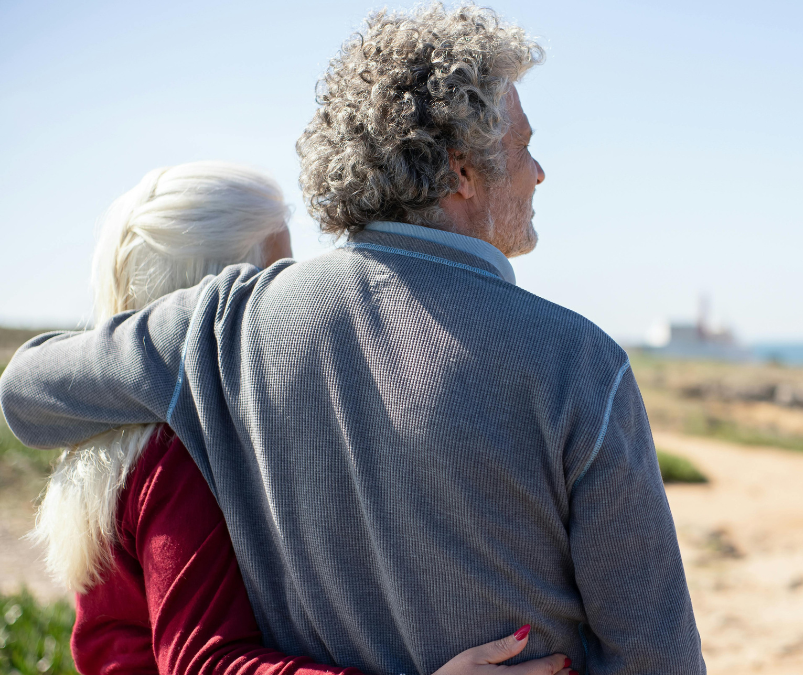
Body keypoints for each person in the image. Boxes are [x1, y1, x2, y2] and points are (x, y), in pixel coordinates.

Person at [0, 4, 706, 674]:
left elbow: (27, 391)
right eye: (524, 147)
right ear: (462, 170)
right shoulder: (580, 362)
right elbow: (658, 659)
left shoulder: (225, 324)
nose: (539, 171)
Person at [29, 161, 573, 675]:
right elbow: (205, 663)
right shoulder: (175, 452)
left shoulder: (116, 434)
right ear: (207, 299)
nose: (294, 299)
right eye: (274, 279)